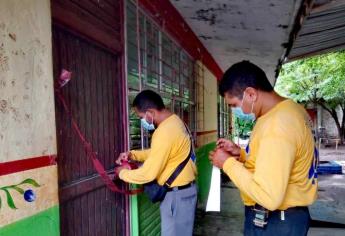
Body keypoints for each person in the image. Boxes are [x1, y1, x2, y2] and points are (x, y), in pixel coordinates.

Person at [209, 61, 318, 236]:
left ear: (251, 94)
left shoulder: (277, 124)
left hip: (277, 221)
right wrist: (241, 154)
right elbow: (280, 157)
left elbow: (269, 196)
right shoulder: (287, 110)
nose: (233, 110)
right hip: (284, 218)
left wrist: (227, 163)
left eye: (233, 105)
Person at [115, 90, 197, 236]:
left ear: (150, 113)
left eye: (141, 117)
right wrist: (132, 154)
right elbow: (159, 153)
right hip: (183, 193)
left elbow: (148, 174)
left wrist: (122, 173)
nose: (142, 121)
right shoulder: (176, 122)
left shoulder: (164, 132)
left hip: (177, 197)